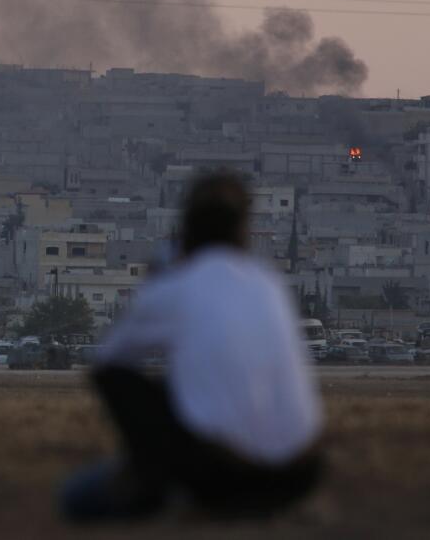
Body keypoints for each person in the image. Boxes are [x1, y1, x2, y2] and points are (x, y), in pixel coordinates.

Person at [60, 172, 323, 521]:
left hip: (222, 476)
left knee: (77, 497)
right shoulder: (269, 283)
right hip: (300, 472)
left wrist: (156, 287)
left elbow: (109, 359)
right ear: (243, 229)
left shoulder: (180, 285)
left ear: (186, 228)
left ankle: (150, 483)